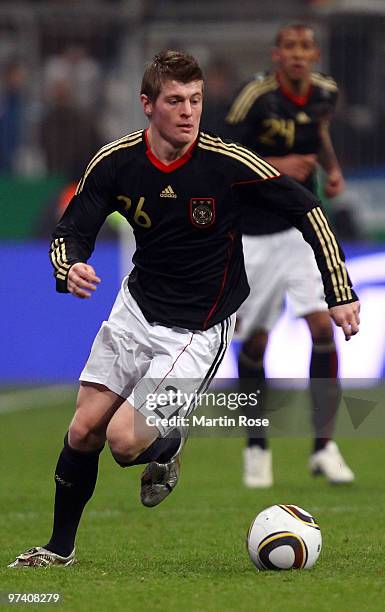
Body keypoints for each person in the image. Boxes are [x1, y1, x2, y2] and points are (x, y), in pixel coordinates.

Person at [8, 50, 360, 568]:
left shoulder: (226, 163)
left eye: (195, 100)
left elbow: (307, 208)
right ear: (147, 104)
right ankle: (59, 549)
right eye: (175, 100)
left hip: (196, 330)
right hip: (135, 309)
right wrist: (70, 268)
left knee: (124, 443)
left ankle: (167, 442)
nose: (188, 111)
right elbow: (70, 231)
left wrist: (339, 289)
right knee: (83, 429)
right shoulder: (115, 162)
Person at [224, 23, 355, 488]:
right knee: (255, 342)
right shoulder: (254, 96)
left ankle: (324, 447)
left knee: (323, 326)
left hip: (302, 228)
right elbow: (224, 153)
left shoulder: (325, 92)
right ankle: (256, 447)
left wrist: (332, 169)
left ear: (315, 54)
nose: (299, 55)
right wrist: (279, 168)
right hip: (255, 233)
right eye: (290, 47)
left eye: (306, 47)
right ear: (276, 55)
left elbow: (318, 132)